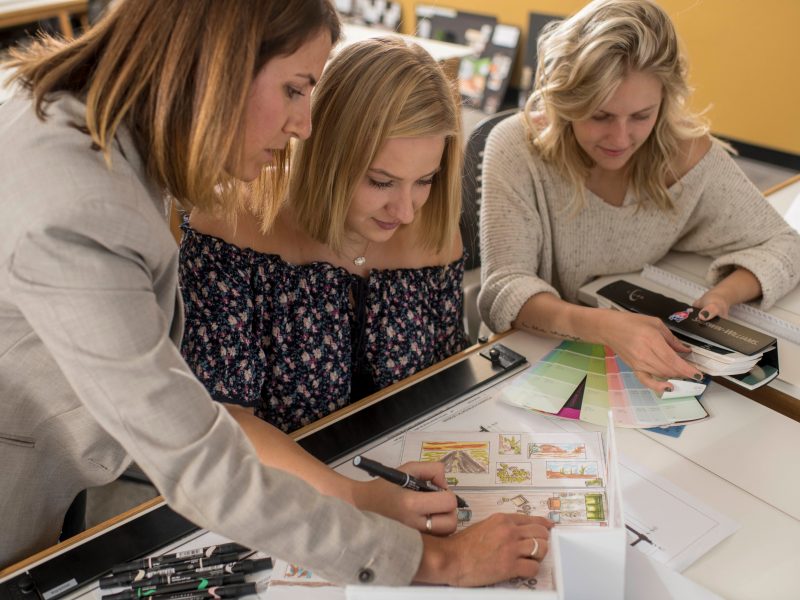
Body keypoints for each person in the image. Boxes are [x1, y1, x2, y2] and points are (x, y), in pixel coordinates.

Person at [0, 0, 552, 586]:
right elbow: (200, 461)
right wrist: (438, 561)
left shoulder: (109, 134)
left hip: (65, 460)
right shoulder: (79, 207)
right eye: (295, 89)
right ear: (218, 66)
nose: (304, 126)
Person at [479, 0, 800, 394]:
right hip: (529, 359)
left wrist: (723, 294)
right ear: (566, 99)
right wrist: (607, 327)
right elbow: (501, 291)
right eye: (599, 116)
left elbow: (785, 244)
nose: (620, 139)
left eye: (641, 116)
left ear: (665, 101)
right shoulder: (516, 146)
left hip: (630, 367)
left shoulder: (684, 154)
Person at [180, 37, 468, 435]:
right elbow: (223, 424)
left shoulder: (433, 226)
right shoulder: (232, 223)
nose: (404, 211)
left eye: (424, 180)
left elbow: (450, 381)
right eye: (381, 182)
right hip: (273, 487)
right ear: (326, 158)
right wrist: (355, 492)